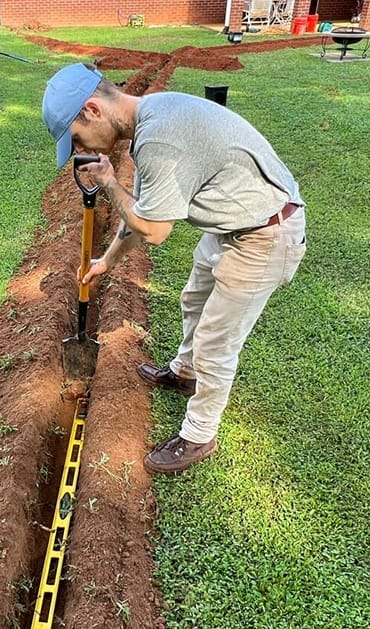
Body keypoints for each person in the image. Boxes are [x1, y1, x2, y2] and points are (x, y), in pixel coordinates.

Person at [42, 63, 306, 475]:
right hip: (233, 223)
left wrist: (110, 182)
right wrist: (105, 261)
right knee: (193, 299)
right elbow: (141, 215)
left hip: (266, 232)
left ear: (92, 110)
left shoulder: (159, 137)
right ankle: (184, 373)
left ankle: (200, 434)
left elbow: (155, 230)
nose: (81, 149)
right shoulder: (150, 122)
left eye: (76, 139)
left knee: (217, 341)